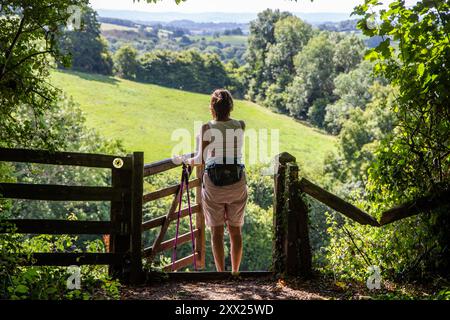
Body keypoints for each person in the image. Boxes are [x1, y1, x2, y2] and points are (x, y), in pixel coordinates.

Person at [180, 88, 247, 273]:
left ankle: (221, 274)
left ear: (212, 107)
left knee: (217, 231)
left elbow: (200, 160)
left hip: (214, 185)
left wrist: (185, 160)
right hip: (237, 182)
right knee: (235, 231)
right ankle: (235, 272)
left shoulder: (207, 128)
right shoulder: (240, 125)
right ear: (231, 106)